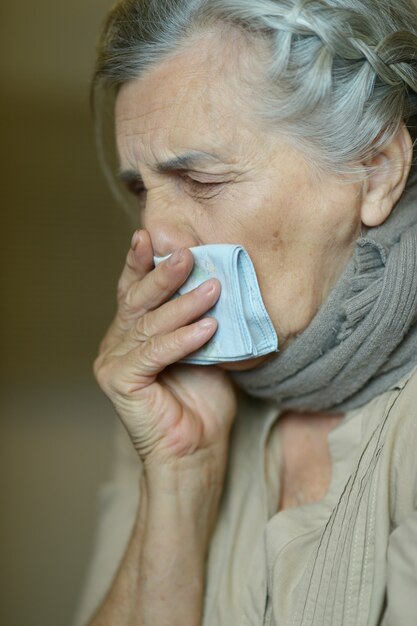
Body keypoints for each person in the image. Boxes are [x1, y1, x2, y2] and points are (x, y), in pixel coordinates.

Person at [73, 1, 417, 624]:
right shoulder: (168, 402)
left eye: (201, 181)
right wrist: (178, 480)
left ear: (375, 173)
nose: (155, 237)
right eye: (141, 191)